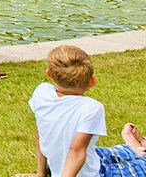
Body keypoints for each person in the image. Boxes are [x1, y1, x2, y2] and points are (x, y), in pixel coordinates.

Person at [29, 45, 110, 177]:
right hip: (89, 174)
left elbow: (41, 134)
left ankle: (136, 146)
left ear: (49, 74)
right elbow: (76, 151)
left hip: (61, 166)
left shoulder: (42, 92)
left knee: (109, 152)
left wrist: (41, 173)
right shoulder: (92, 108)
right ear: (92, 82)